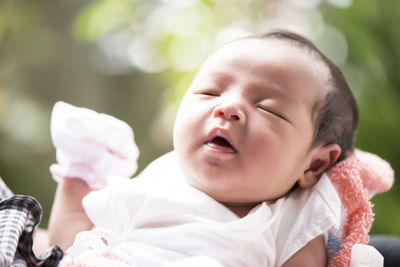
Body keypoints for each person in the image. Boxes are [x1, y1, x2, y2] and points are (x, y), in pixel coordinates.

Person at [45, 30, 365, 266]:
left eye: (268, 108)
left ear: (313, 165)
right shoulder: (159, 181)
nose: (228, 108)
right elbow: (68, 247)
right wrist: (79, 179)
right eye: (210, 92)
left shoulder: (293, 215)